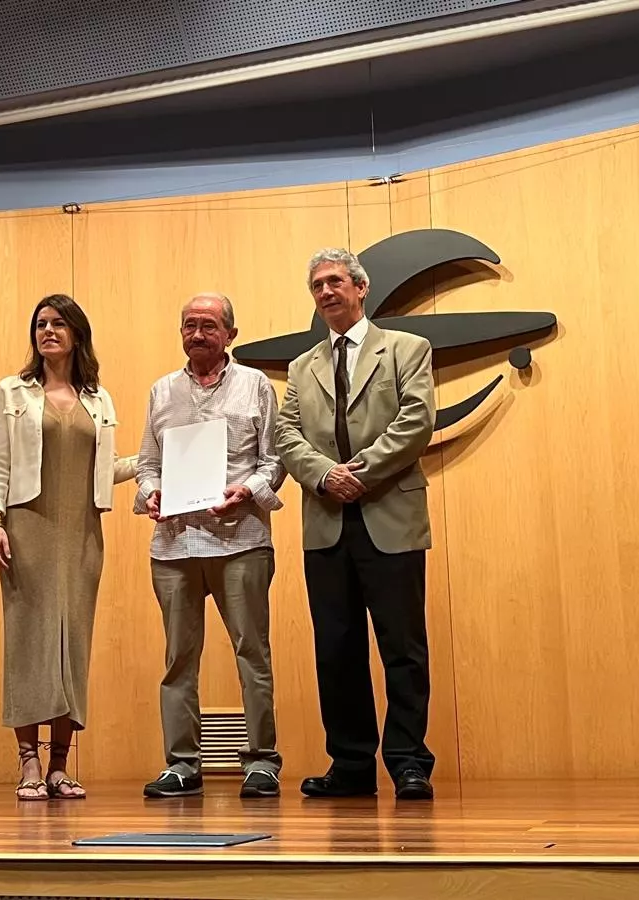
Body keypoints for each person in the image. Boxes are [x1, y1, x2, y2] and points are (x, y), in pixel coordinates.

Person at [274, 248, 437, 801]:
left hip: (390, 515)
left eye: (335, 281)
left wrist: (358, 473)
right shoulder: (302, 367)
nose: (325, 292)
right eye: (317, 285)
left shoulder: (408, 349)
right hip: (326, 524)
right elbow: (286, 436)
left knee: (403, 648)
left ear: (360, 288)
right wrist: (324, 476)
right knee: (337, 650)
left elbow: (417, 421)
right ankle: (351, 766)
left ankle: (410, 763)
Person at [0, 294, 135, 801]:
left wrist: (156, 462)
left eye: (58, 324)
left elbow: (105, 469)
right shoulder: (13, 392)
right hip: (27, 528)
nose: (48, 331)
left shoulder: (100, 399)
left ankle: (60, 766)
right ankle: (27, 762)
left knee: (73, 643)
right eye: (40, 324)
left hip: (83, 533)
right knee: (29, 643)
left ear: (77, 333)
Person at [133, 293, 286, 799]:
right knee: (179, 658)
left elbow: (275, 460)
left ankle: (261, 762)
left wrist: (248, 492)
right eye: (189, 325)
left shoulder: (256, 385)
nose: (197, 334)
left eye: (208, 325)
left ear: (230, 335)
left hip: (240, 541)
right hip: (174, 546)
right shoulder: (162, 391)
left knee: (252, 652)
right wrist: (150, 493)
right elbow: (147, 464)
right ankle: (181, 764)